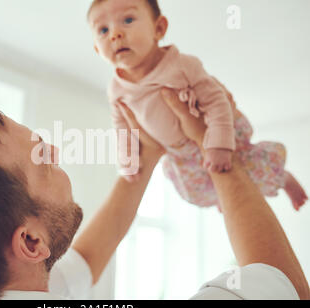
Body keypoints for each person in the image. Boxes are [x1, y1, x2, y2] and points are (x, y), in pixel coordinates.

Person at [0, 86, 308, 299]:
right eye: (41, 155)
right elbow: (283, 286)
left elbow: (90, 256)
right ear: (31, 241)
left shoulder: (14, 281)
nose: (54, 148)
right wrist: (216, 149)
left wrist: (149, 149)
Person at [87, 0, 308, 210]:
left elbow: (216, 100)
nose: (115, 34)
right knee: (192, 190)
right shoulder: (116, 89)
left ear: (159, 29)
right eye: (103, 30)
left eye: (127, 20)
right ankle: (221, 197)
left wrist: (219, 144)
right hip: (178, 151)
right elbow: (122, 126)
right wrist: (128, 159)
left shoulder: (183, 65)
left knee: (247, 166)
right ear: (97, 50)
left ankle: (283, 178)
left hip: (214, 130)